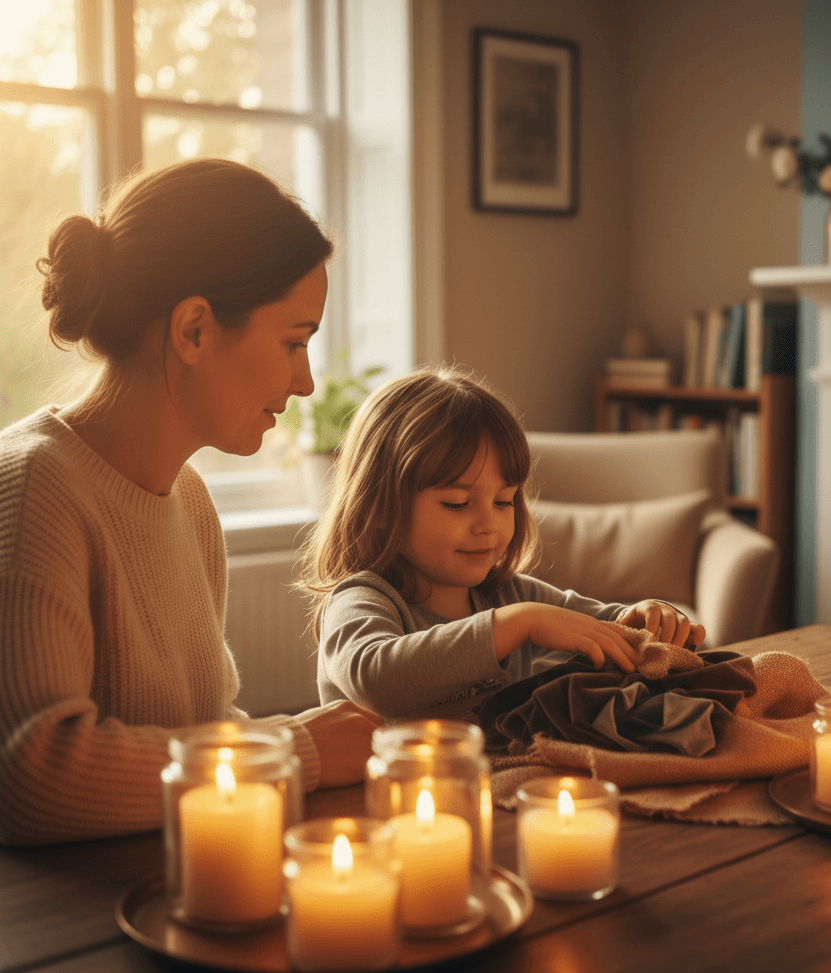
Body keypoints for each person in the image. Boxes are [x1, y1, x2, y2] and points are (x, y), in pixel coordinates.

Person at [0, 159, 382, 847]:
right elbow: (32, 775)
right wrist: (293, 749)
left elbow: (198, 738)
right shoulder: (34, 490)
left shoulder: (192, 500)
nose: (305, 383)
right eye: (294, 342)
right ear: (194, 330)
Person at [301, 367, 706, 720]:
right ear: (381, 506)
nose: (488, 525)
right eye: (457, 504)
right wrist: (517, 624)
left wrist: (648, 617)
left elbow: (605, 626)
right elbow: (376, 680)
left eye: (503, 501)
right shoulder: (361, 600)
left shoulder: (508, 594)